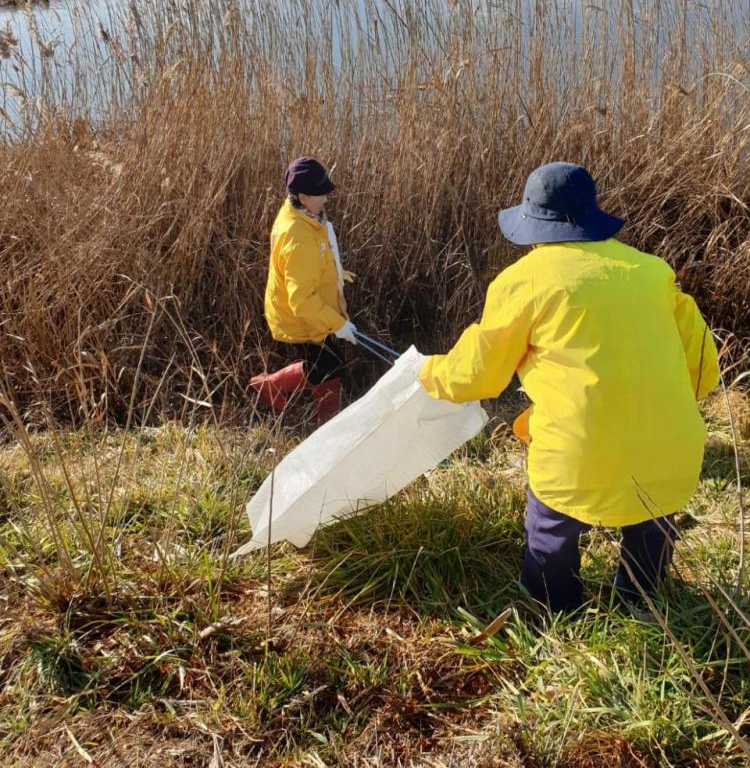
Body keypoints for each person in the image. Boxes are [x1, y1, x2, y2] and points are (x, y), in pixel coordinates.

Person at [419, 162, 720, 615]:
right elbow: (704, 369)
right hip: (673, 450)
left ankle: (553, 613)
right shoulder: (654, 273)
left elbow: (477, 376)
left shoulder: (524, 281)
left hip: (578, 455)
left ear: (534, 228)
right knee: (651, 520)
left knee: (551, 529)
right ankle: (644, 606)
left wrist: (428, 373)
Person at [249, 157, 358, 426]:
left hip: (310, 307)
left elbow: (305, 268)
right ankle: (324, 426)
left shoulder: (300, 214)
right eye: (320, 194)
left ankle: (324, 422)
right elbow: (302, 300)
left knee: (328, 367)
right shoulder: (299, 236)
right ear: (302, 195)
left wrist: (334, 274)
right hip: (302, 314)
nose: (326, 199)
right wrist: (339, 325)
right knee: (329, 366)